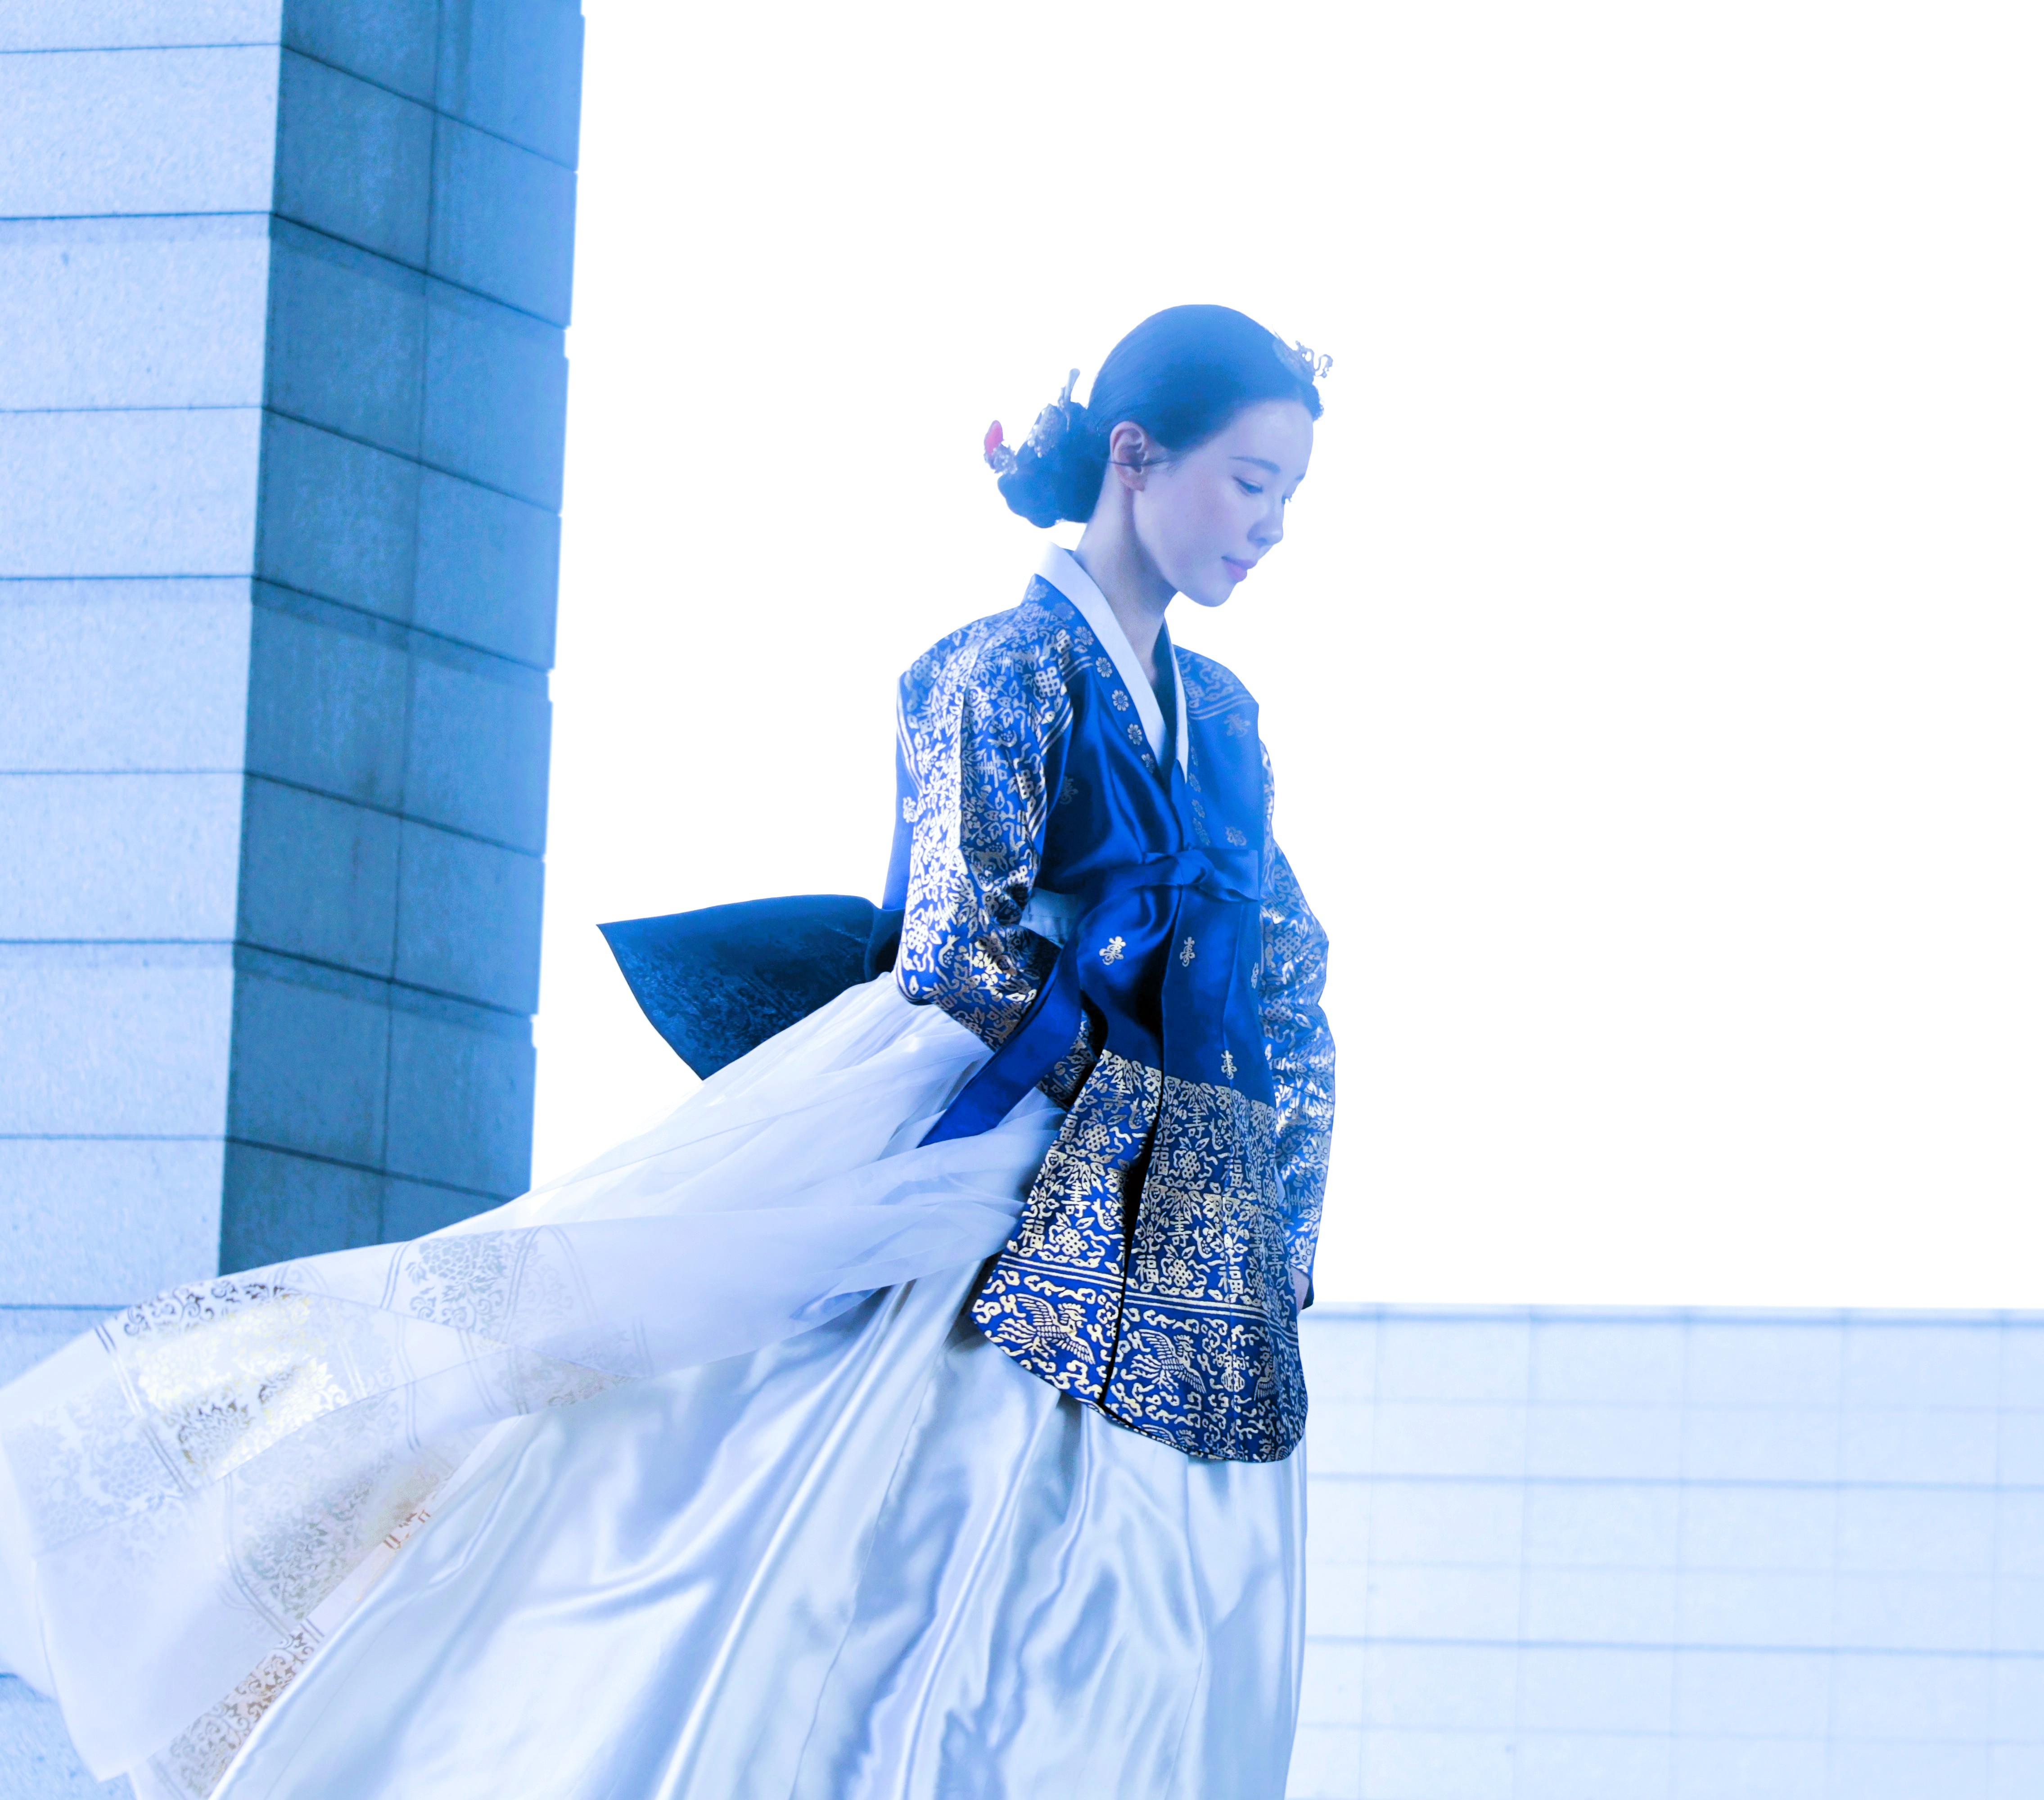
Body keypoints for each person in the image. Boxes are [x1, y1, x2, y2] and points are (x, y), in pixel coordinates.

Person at [0, 304, 1336, 1799]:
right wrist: (1133, 1101)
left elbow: (1289, 961)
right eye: (1252, 482)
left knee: (1151, 1587)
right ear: (1137, 459)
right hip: (1003, 1123)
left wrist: (1274, 1195)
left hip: (1177, 1186)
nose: (1272, 527)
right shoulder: (1000, 668)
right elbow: (958, 944)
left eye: (1289, 493)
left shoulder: (1224, 717)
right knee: (832, 1514)